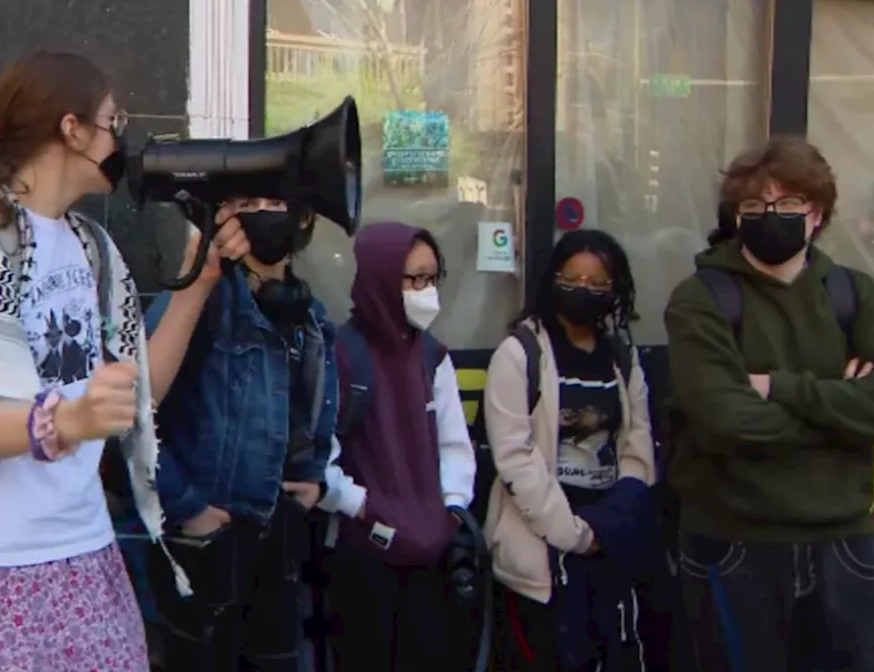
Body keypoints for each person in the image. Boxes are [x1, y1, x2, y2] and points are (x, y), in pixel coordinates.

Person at [0, 50, 250, 671]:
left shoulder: (93, 247)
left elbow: (136, 401)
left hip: (84, 555)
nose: (123, 137)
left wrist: (202, 278)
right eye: (115, 120)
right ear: (72, 128)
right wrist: (66, 422)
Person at [665, 136, 874, 672]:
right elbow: (726, 423)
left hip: (845, 544)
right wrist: (842, 412)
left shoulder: (856, 295)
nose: (769, 217)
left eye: (786, 205)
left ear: (817, 212)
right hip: (735, 544)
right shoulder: (701, 300)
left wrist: (780, 388)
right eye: (753, 207)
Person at [144, 199, 337, 672]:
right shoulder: (200, 297)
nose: (268, 211)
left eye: (279, 201)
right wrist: (188, 509)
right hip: (206, 549)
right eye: (254, 201)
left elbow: (318, 407)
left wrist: (314, 480)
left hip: (280, 547)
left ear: (305, 215)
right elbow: (135, 414)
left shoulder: (312, 315)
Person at [484, 228, 657, 672]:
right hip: (543, 548)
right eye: (573, 277)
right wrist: (573, 533)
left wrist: (611, 522)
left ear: (615, 289)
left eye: (598, 282)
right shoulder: (519, 353)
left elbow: (638, 442)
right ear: (553, 279)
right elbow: (514, 457)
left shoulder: (621, 354)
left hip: (609, 539)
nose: (585, 289)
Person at [316, 221, 477, 671]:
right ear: (381, 278)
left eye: (431, 278)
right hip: (364, 555)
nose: (426, 291)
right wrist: (366, 508)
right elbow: (317, 458)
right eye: (414, 279)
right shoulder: (341, 355)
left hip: (432, 554)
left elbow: (454, 445)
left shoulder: (432, 356)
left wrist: (450, 511)